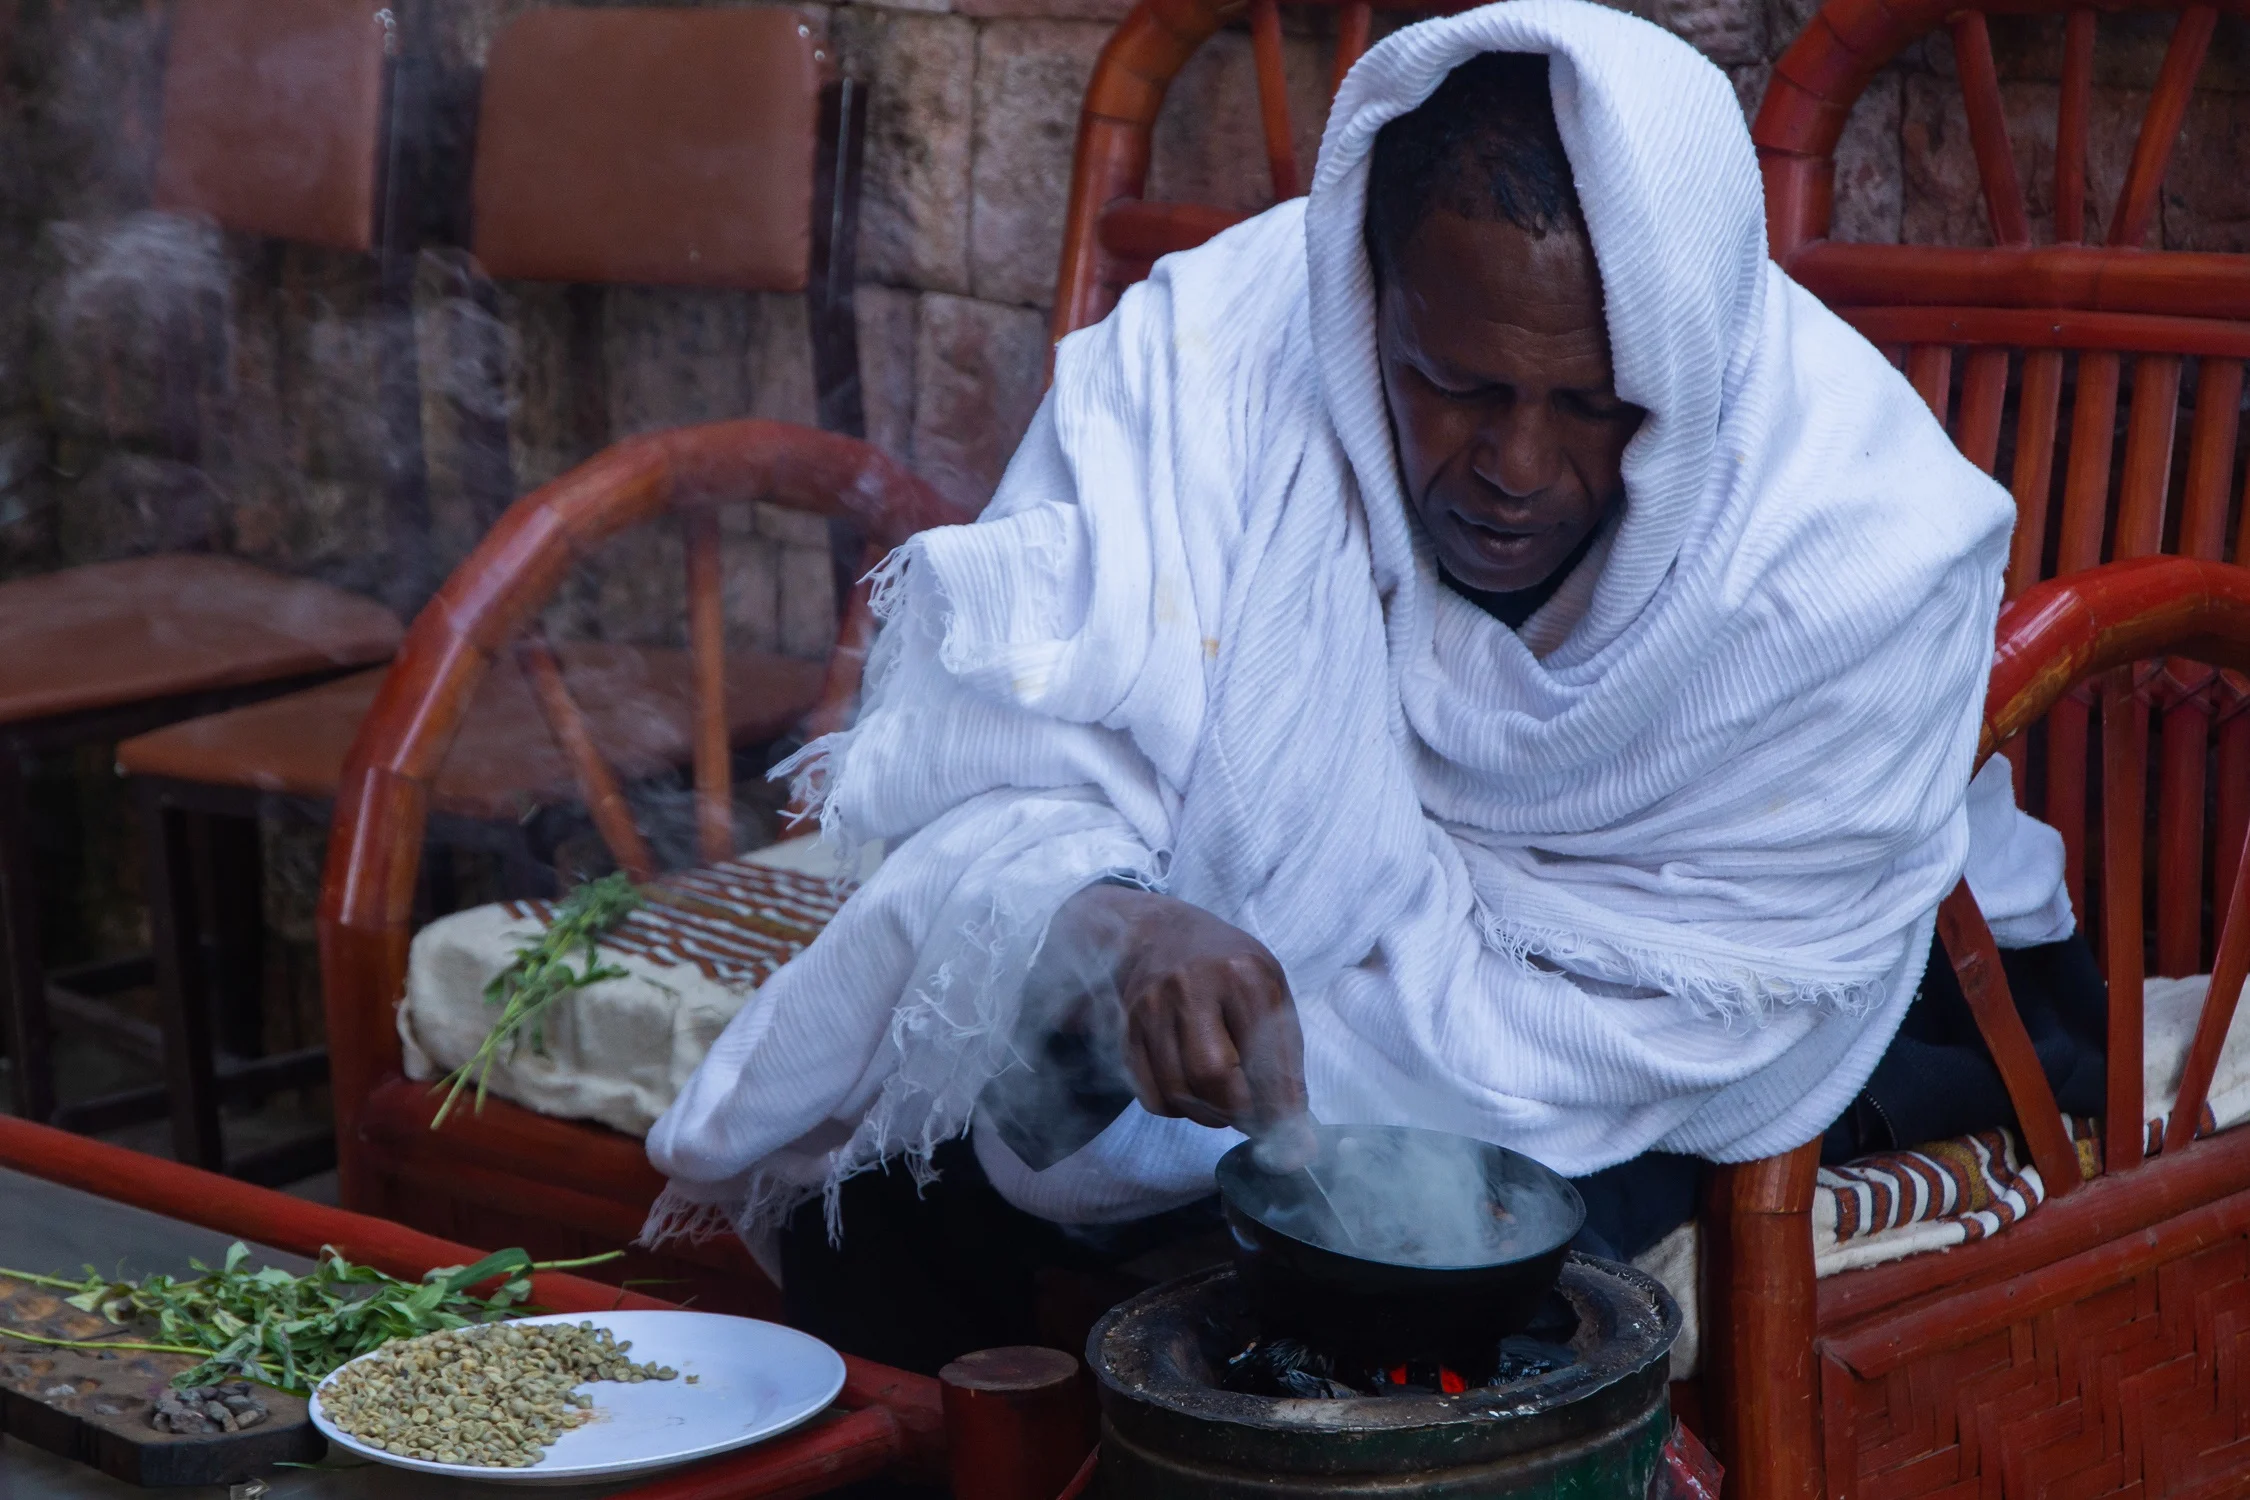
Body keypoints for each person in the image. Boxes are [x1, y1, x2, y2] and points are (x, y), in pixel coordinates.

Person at [641, 0, 2096, 1374]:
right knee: (904, 1190)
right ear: (1363, 305)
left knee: (1431, 1286)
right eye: (1452, 385)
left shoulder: (1850, 541)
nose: (1515, 469)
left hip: (1702, 1006)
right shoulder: (1215, 360)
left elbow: (1750, 952)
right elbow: (1020, 761)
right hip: (1295, 949)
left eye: (1594, 406)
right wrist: (1117, 916)